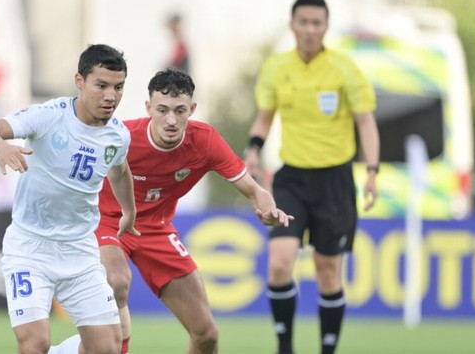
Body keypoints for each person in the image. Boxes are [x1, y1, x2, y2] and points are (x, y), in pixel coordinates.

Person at [50, 68, 293, 354]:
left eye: (180, 111)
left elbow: (254, 191)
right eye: (162, 109)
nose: (171, 120)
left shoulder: (204, 141)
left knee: (206, 335)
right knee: (116, 282)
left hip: (156, 228)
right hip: (108, 222)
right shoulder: (121, 136)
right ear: (148, 108)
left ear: (192, 109)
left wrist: (266, 209)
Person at [0, 43, 140, 354]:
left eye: (118, 87)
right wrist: (1, 147)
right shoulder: (48, 116)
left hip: (79, 251)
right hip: (30, 248)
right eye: (101, 85)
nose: (110, 96)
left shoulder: (118, 134)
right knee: (35, 342)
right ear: (80, 81)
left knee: (106, 348)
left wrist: (128, 211)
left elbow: (119, 171)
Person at [243, 0, 380, 354]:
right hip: (291, 178)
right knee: (279, 263)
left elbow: (366, 122)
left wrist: (371, 172)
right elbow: (264, 116)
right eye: (303, 22)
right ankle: (285, 347)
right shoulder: (276, 67)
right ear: (292, 24)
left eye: (316, 23)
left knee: (327, 271)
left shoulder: (345, 69)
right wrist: (253, 150)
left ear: (325, 27)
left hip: (335, 180)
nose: (309, 29)